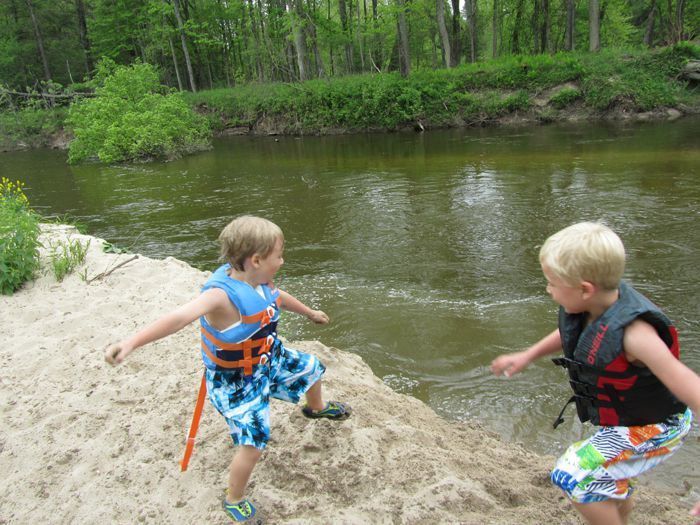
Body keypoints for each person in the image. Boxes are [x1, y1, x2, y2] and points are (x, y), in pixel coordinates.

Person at [105, 215, 352, 523]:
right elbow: (179, 317)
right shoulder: (220, 295)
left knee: (313, 367)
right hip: (237, 381)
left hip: (268, 357)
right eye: (279, 255)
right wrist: (131, 343)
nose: (283, 260)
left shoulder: (259, 281)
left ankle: (315, 408)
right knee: (253, 441)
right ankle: (234, 499)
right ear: (257, 260)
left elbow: (278, 299)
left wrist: (310, 312)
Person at [490, 222, 700, 525]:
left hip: (658, 426)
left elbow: (689, 386)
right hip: (626, 421)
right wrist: (528, 355)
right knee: (606, 480)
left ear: (584, 289)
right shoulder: (592, 308)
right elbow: (574, 334)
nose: (547, 289)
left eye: (551, 282)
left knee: (572, 473)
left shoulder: (635, 335)